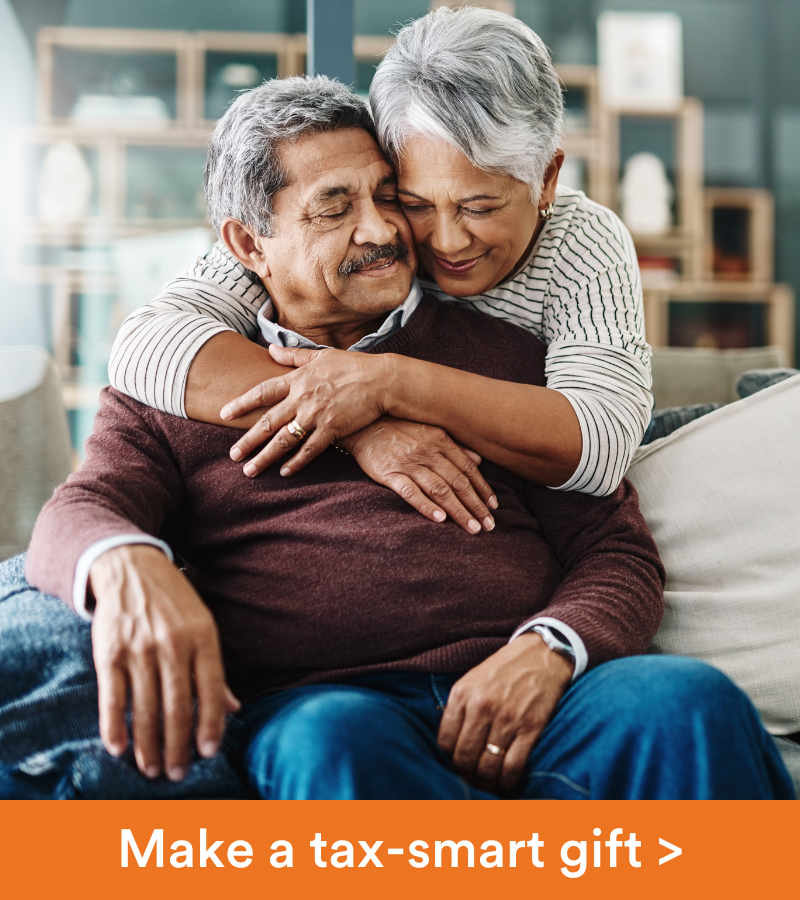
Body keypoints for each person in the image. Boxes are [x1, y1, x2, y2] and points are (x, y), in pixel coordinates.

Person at [16, 76, 792, 801]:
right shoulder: (176, 388)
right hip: (332, 703)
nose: (382, 229)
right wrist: (124, 566)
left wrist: (551, 649)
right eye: (333, 208)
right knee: (332, 741)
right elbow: (76, 511)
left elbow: (615, 549)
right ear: (248, 246)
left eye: (387, 196)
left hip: (536, 693)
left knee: (686, 701)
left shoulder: (503, 359)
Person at [108, 5, 651, 530]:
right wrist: (365, 424)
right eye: (412, 202)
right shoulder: (368, 234)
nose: (445, 241)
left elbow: (602, 448)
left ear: (547, 180)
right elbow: (146, 344)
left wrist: (388, 383)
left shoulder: (582, 243)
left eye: (479, 207)